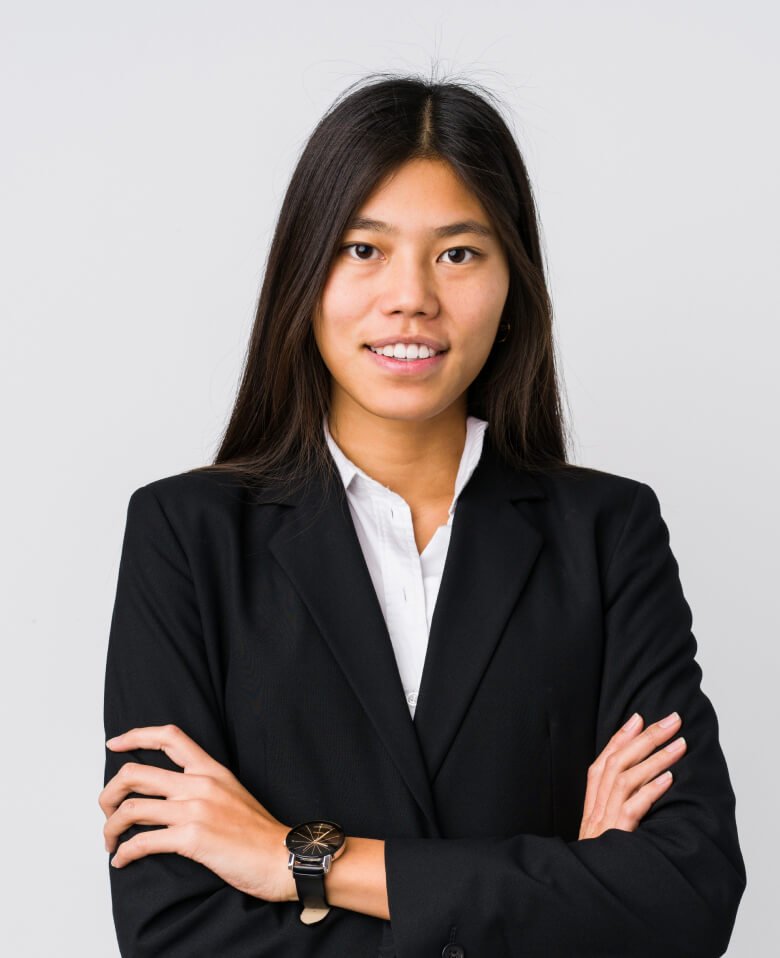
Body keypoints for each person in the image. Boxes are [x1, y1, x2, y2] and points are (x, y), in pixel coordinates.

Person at [99, 72, 746, 957]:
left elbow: (685, 899)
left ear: (513, 282)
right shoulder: (185, 538)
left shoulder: (608, 533)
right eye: (364, 249)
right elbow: (174, 935)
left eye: (458, 254)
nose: (410, 296)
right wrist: (567, 886)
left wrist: (301, 861)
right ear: (303, 273)